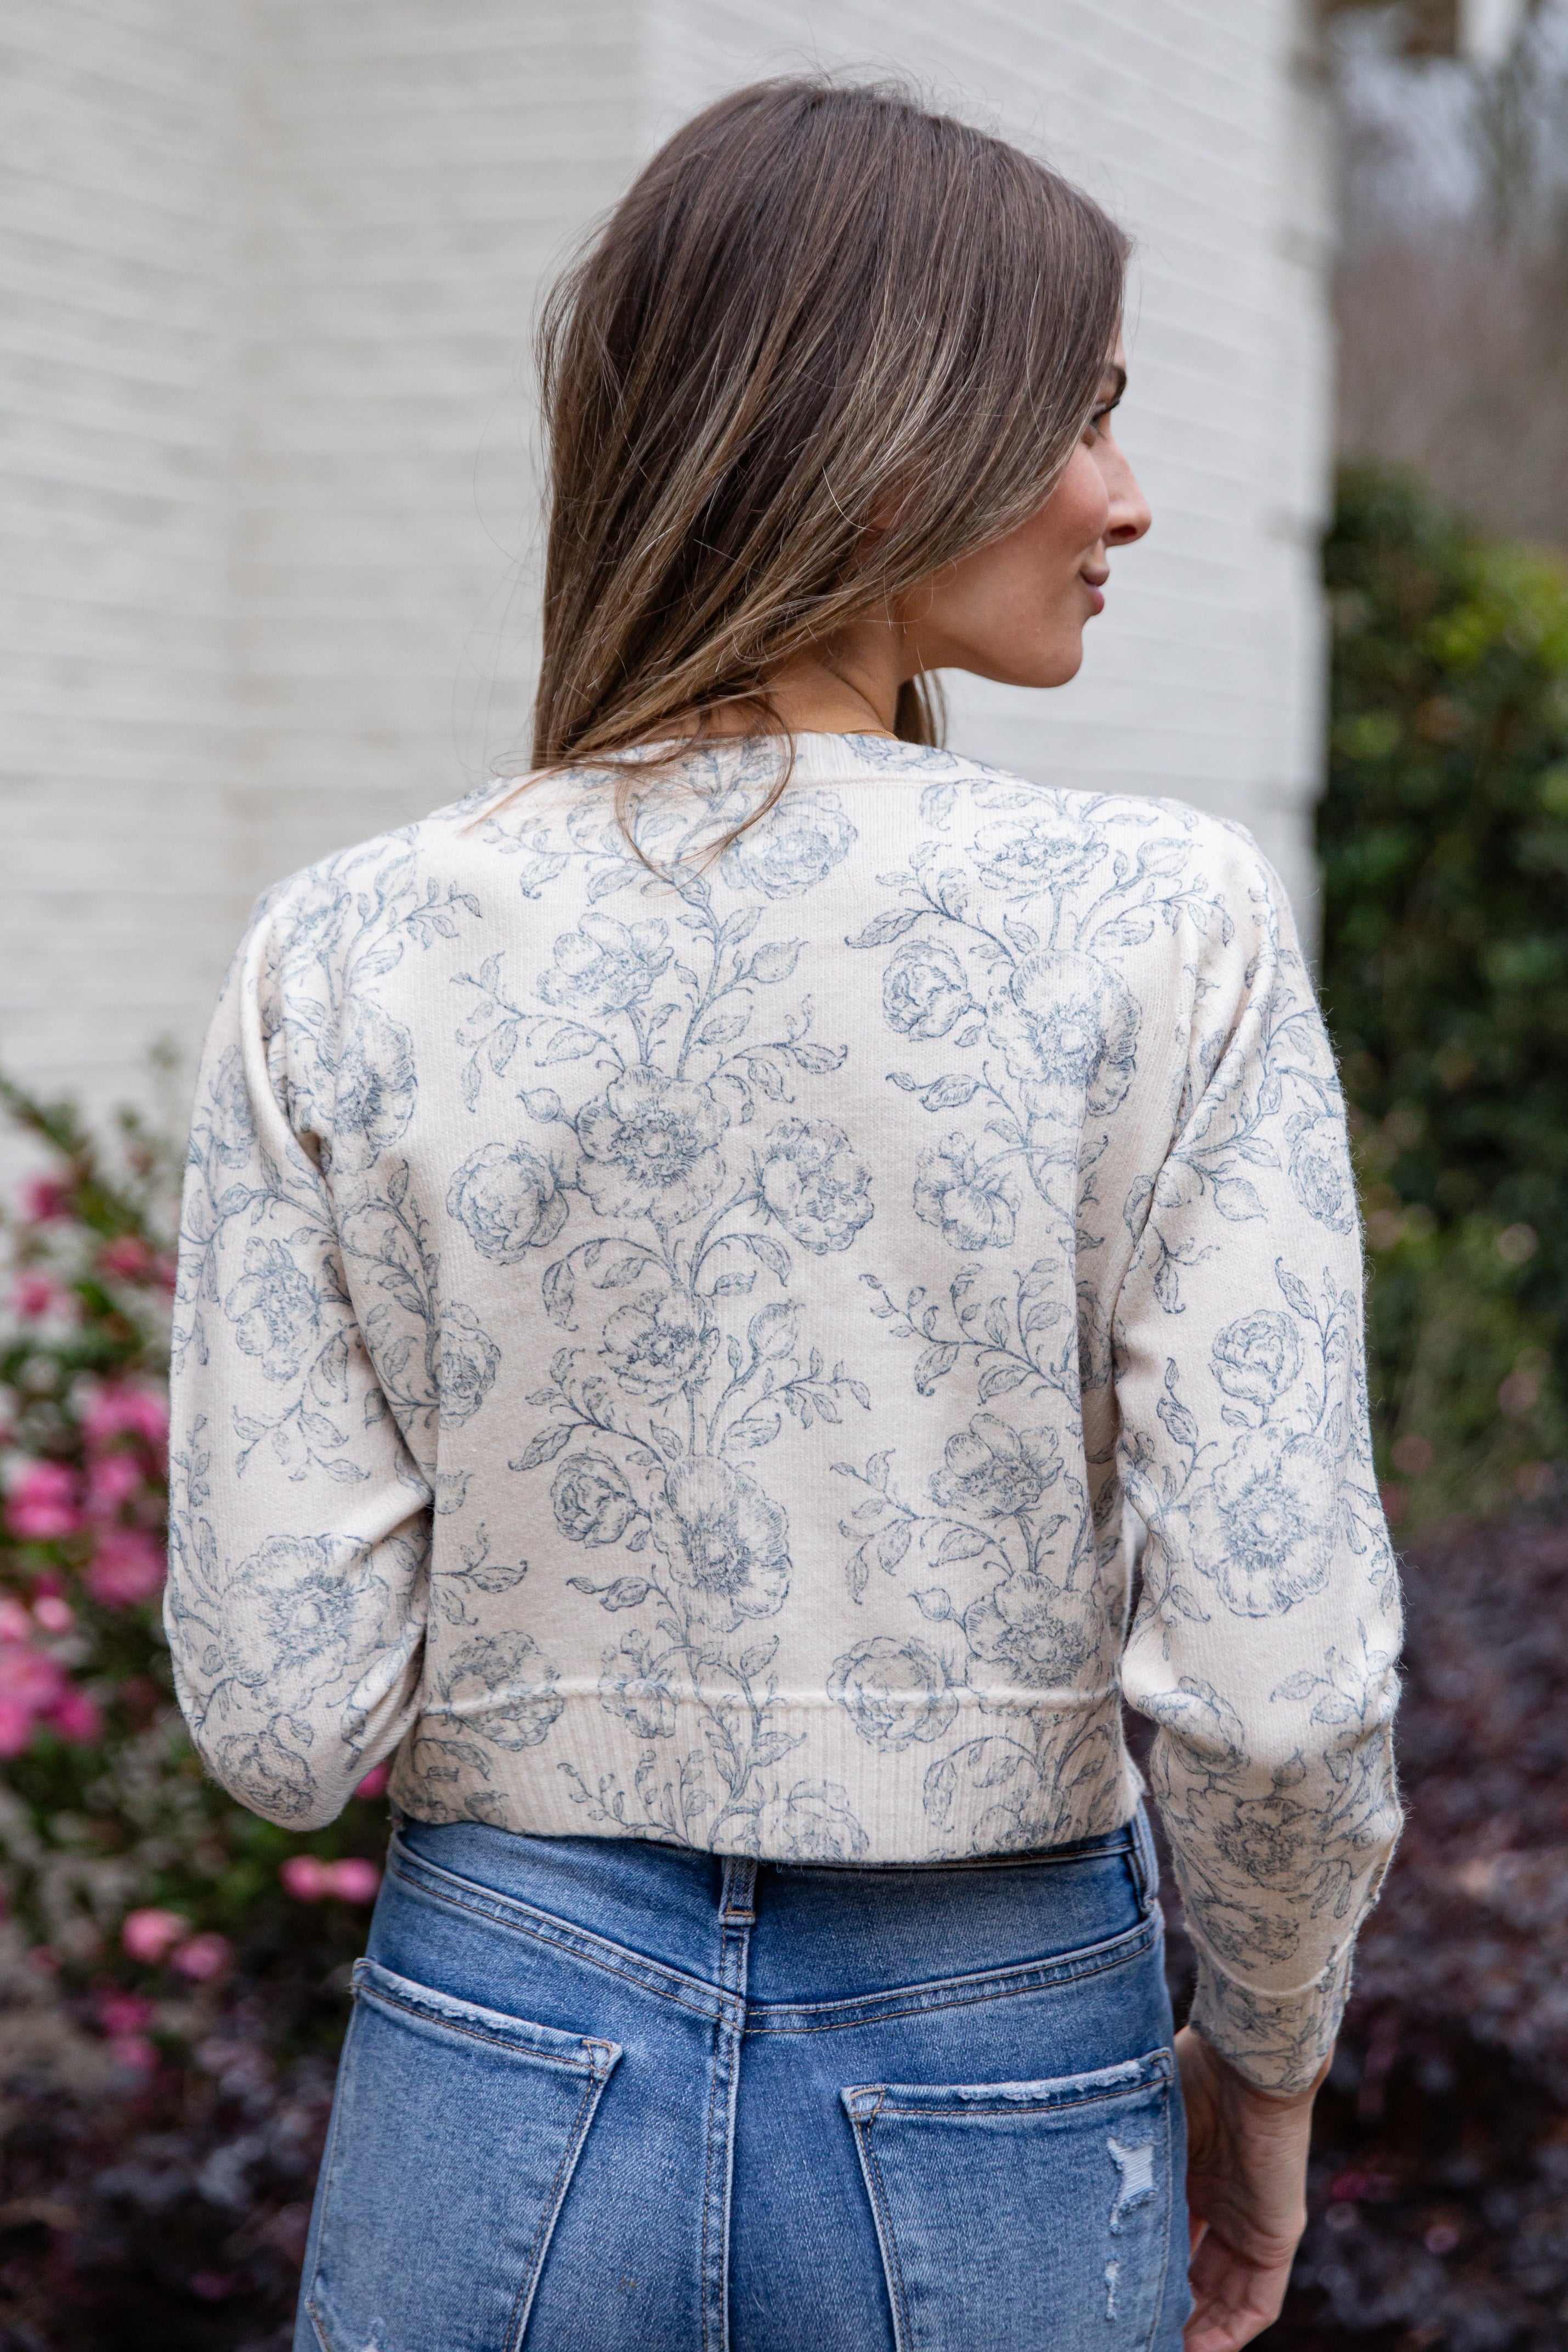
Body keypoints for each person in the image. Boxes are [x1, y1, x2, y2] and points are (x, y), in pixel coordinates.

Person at [166, 77, 1402, 2352]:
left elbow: (273, 1706)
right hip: (1003, 2053)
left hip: (495, 2039)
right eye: (1076, 415)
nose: (1125, 496)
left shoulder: (350, 947)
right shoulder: (1161, 924)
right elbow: (1272, 1674)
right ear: (878, 426)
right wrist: (1269, 2063)